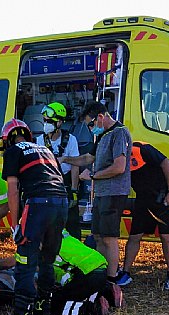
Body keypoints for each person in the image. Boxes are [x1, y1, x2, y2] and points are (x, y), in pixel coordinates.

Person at [0, 118, 68, 315]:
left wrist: (14, 224)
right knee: (48, 259)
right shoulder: (45, 150)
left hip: (37, 205)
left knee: (25, 263)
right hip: (61, 204)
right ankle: (43, 309)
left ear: (7, 139)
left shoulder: (13, 152)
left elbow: (12, 190)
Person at [57, 101, 132, 291]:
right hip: (100, 193)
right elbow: (87, 159)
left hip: (113, 193)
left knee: (109, 237)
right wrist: (65, 159)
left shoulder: (119, 133)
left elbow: (119, 167)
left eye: (91, 124)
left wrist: (92, 176)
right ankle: (99, 272)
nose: (91, 129)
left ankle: (112, 278)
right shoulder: (102, 136)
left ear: (101, 117)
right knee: (98, 236)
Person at [114, 141, 169, 290]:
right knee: (134, 236)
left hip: (163, 196)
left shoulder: (141, 148)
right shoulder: (114, 155)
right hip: (143, 199)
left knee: (166, 235)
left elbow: (167, 164)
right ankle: (125, 273)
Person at [36, 102, 81, 238]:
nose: (46, 123)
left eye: (50, 121)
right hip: (48, 184)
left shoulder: (70, 140)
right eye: (45, 120)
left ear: (60, 122)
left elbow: (75, 166)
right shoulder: (40, 140)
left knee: (71, 223)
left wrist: (74, 190)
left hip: (65, 182)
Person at [51, 229, 111, 315]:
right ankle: (107, 292)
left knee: (53, 304)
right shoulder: (62, 233)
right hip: (99, 266)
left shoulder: (46, 247)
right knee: (80, 290)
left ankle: (91, 307)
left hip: (87, 273)